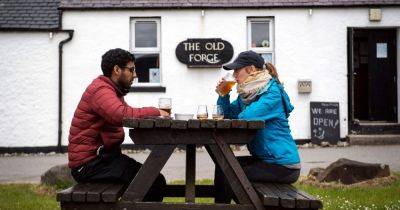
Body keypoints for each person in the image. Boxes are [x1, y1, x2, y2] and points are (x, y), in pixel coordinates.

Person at [67, 48, 170, 201]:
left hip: (104, 160)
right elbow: (121, 115)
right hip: (89, 166)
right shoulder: (101, 90)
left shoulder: (109, 90)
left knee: (153, 179)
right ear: (116, 69)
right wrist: (156, 111)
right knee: (152, 182)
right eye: (131, 69)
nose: (135, 75)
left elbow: (125, 112)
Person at [214, 50, 301, 203]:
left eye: (237, 70)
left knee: (230, 175)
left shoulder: (272, 93)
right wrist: (223, 95)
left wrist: (240, 109)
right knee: (223, 165)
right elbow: (226, 115)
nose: (234, 75)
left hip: (283, 166)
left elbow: (246, 118)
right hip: (264, 160)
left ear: (252, 69)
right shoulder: (248, 95)